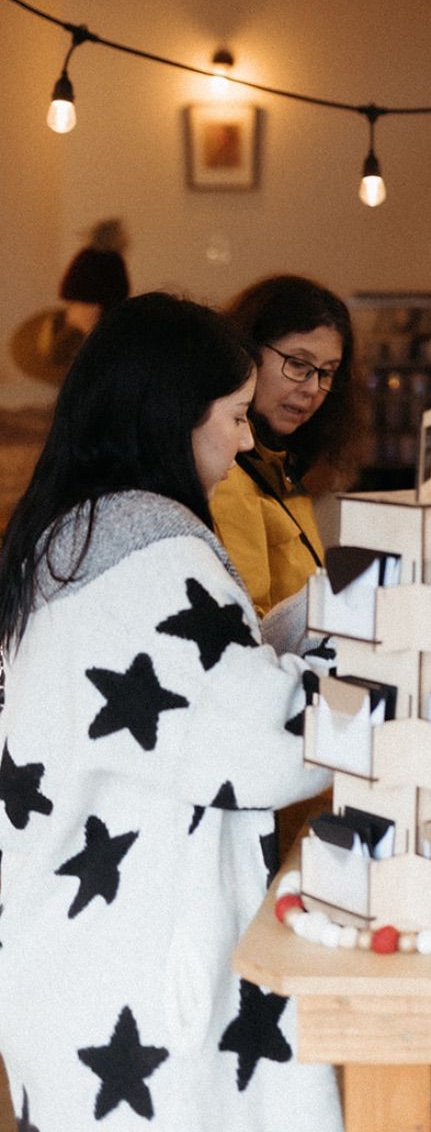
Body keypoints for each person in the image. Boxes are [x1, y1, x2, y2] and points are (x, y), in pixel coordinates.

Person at [0, 292, 340, 1131]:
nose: (248, 437)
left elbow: (189, 698)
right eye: (233, 415)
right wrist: (373, 654)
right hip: (136, 993)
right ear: (172, 419)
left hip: (72, 971)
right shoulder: (152, 550)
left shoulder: (74, 533)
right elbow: (273, 744)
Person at [212, 273, 359, 615]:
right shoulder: (228, 474)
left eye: (327, 372)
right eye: (297, 364)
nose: (312, 388)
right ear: (247, 351)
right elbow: (249, 615)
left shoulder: (280, 463)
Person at [8, 217, 131, 386]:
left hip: (89, 312)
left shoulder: (92, 257)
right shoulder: (106, 260)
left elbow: (69, 288)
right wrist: (94, 305)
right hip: (92, 313)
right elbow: (118, 292)